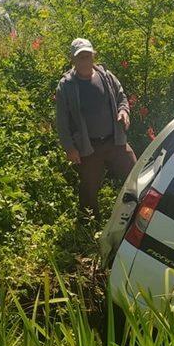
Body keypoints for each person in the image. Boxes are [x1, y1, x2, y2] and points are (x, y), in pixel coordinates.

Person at [55, 37, 137, 216]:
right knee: (89, 187)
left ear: (94, 56)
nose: (85, 61)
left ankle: (136, 211)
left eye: (87, 56)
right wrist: (69, 148)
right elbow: (62, 122)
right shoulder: (66, 86)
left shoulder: (105, 76)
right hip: (88, 147)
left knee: (134, 173)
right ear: (73, 59)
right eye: (80, 57)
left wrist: (124, 111)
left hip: (115, 141)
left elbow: (121, 97)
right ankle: (89, 222)